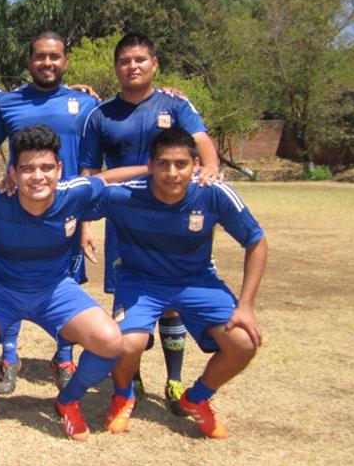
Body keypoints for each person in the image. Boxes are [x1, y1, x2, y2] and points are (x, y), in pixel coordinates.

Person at [0, 125, 142, 443]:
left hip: (55, 290)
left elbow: (106, 179)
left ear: (59, 169)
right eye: (27, 168)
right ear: (13, 172)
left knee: (110, 342)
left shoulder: (74, 192)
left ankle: (68, 400)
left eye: (47, 167)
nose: (38, 176)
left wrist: (154, 166)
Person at [83, 128, 265, 439]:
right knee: (127, 344)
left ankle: (197, 398)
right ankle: (123, 395)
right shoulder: (125, 195)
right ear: (150, 165)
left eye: (181, 164)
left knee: (244, 343)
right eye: (163, 164)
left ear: (196, 164)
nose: (171, 173)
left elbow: (256, 241)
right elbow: (85, 187)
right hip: (140, 281)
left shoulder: (213, 192)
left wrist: (246, 306)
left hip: (197, 280)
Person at [79, 32, 220, 411]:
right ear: (116, 67)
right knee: (133, 298)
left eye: (140, 59)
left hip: (176, 215)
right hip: (126, 216)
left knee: (173, 301)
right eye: (125, 61)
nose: (132, 66)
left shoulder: (175, 103)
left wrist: (209, 172)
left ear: (154, 64)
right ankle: (132, 378)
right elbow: (90, 171)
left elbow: (202, 142)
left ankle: (174, 381)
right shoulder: (101, 113)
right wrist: (85, 224)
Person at [0, 30, 99, 394]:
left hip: (66, 210)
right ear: (29, 61)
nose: (47, 63)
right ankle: (9, 356)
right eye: (40, 57)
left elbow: (91, 162)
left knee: (65, 282)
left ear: (65, 61)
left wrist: (86, 220)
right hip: (17, 209)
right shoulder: (7, 103)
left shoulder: (85, 104)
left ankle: (64, 357)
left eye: (54, 57)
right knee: (13, 274)